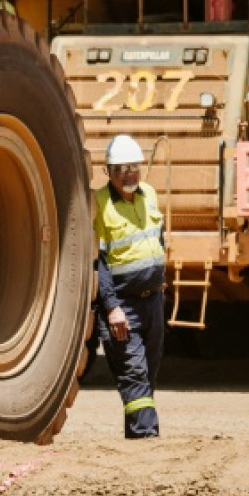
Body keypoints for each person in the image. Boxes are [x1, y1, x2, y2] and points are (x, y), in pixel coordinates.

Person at [93, 134, 166, 438]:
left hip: (153, 304)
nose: (129, 174)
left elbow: (156, 239)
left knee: (146, 380)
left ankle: (136, 441)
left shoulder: (149, 193)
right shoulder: (98, 204)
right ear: (108, 171)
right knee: (134, 376)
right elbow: (98, 262)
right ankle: (148, 441)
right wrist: (112, 308)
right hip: (124, 308)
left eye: (134, 167)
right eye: (121, 169)